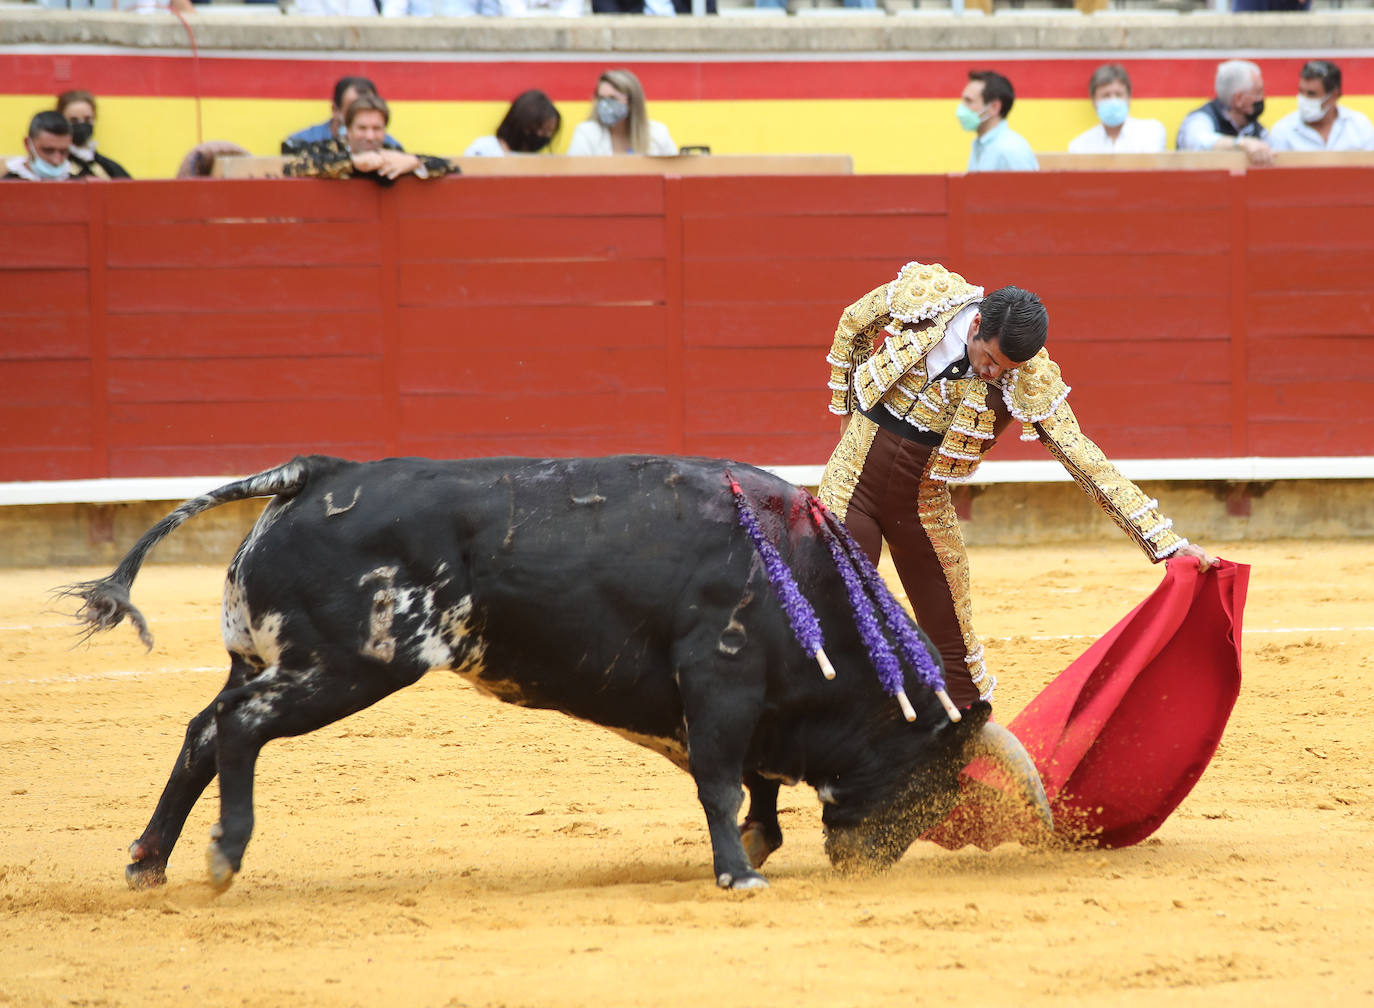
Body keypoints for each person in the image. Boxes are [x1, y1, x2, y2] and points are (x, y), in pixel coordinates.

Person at [819, 260, 1213, 711]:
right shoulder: (928, 298)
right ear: (977, 323)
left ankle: (963, 739)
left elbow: (1081, 456)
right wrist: (848, 410)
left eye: (1004, 368)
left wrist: (1165, 543)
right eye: (989, 359)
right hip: (852, 481)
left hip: (921, 503)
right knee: (835, 604)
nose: (992, 373)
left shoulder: (1026, 375)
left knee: (953, 635)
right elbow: (854, 322)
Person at [282, 94, 455, 184]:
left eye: (377, 128)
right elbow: (293, 167)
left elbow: (451, 168)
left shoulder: (392, 154)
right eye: (362, 128)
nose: (370, 136)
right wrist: (352, 163)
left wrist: (415, 162)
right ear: (348, 130)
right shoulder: (327, 149)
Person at [1177, 59, 1272, 165]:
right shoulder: (1201, 119)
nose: (1262, 98)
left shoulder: (1257, 130)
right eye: (1258, 92)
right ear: (1238, 99)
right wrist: (1241, 143)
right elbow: (1198, 143)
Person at [1268, 60, 1374, 153]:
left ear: (1333, 96)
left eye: (1311, 94)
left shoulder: (1359, 126)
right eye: (1301, 92)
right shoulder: (1283, 130)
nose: (1303, 99)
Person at [567, 69, 677, 156]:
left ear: (632, 102)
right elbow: (574, 178)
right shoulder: (586, 133)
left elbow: (676, 174)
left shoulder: (658, 133)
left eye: (612, 98)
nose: (605, 105)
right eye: (601, 98)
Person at [281, 76, 403, 155]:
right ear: (335, 110)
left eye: (368, 107)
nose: (369, 136)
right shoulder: (302, 142)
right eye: (353, 107)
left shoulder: (389, 145)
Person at [1067, 64, 1167, 155]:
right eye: (1106, 96)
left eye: (1119, 95)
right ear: (1094, 102)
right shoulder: (1079, 147)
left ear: (1128, 98)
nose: (1113, 101)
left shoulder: (1151, 132)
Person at [959, 70, 1038, 172]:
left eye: (969, 101)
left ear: (994, 107)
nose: (962, 108)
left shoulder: (1011, 150)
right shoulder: (980, 145)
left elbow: (1027, 187)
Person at [56, 89, 131, 179]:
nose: (81, 124)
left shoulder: (108, 167)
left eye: (87, 119)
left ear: (94, 119)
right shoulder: (55, 166)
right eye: (73, 120)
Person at [463, 90, 561, 157]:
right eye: (539, 129)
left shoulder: (542, 164)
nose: (542, 135)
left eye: (549, 131)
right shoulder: (484, 149)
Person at [3, 111, 91, 182]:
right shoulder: (6, 185)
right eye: (48, 151)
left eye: (63, 151)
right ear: (28, 144)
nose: (56, 160)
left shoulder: (79, 183)